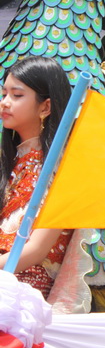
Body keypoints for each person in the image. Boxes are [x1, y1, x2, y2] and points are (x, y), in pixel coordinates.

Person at [0, 56, 72, 299]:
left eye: (16, 95)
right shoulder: (8, 162)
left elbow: (37, 250)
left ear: (45, 107)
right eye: (4, 94)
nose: (4, 103)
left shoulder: (62, 168)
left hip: (27, 285)